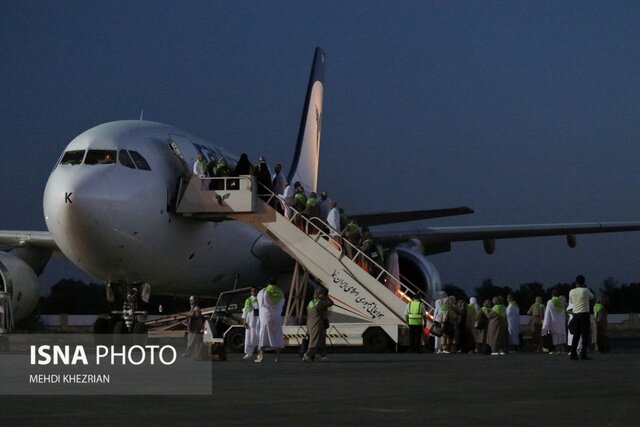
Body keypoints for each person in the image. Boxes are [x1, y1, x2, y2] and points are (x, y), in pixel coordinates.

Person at [255, 279, 285, 363]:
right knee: (277, 335)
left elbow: (259, 303)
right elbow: (282, 303)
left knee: (263, 336)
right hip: (277, 317)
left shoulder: (263, 291)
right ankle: (278, 357)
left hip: (266, 317)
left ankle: (261, 356)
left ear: (268, 283)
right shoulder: (280, 292)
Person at [303, 288, 335, 362]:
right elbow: (331, 303)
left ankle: (323, 356)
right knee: (315, 340)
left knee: (321, 340)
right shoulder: (320, 303)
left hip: (312, 323)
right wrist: (326, 297)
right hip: (317, 324)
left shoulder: (311, 302)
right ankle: (307, 355)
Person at [568, 275, 594, 360]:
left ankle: (573, 354)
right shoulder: (586, 290)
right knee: (585, 335)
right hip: (584, 314)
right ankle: (583, 354)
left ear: (576, 282)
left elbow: (571, 301)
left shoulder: (571, 291)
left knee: (576, 335)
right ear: (584, 282)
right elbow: (592, 297)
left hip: (575, 315)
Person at [241, 287, 260, 360]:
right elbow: (245, 311)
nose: (253, 292)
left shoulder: (260, 300)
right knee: (249, 338)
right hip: (250, 322)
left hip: (258, 321)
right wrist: (244, 322)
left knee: (259, 337)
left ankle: (259, 354)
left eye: (255, 290)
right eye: (252, 291)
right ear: (250, 292)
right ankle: (248, 353)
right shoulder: (248, 300)